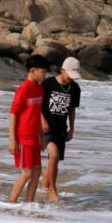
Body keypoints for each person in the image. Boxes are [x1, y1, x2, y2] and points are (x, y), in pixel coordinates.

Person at [7, 55, 49, 203]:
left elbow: (36, 115)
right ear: (33, 71)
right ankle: (10, 204)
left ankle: (29, 204)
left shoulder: (39, 88)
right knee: (27, 172)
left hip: (34, 139)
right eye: (43, 72)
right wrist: (12, 140)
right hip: (23, 138)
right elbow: (13, 114)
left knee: (37, 172)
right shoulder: (24, 89)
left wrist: (41, 138)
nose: (45, 75)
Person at [40, 57, 82, 202]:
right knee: (54, 155)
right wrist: (43, 120)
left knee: (54, 161)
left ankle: (44, 189)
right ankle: (53, 190)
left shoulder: (75, 88)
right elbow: (37, 104)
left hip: (61, 129)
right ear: (62, 70)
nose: (71, 78)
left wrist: (72, 129)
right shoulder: (48, 83)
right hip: (45, 128)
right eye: (69, 74)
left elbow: (71, 110)